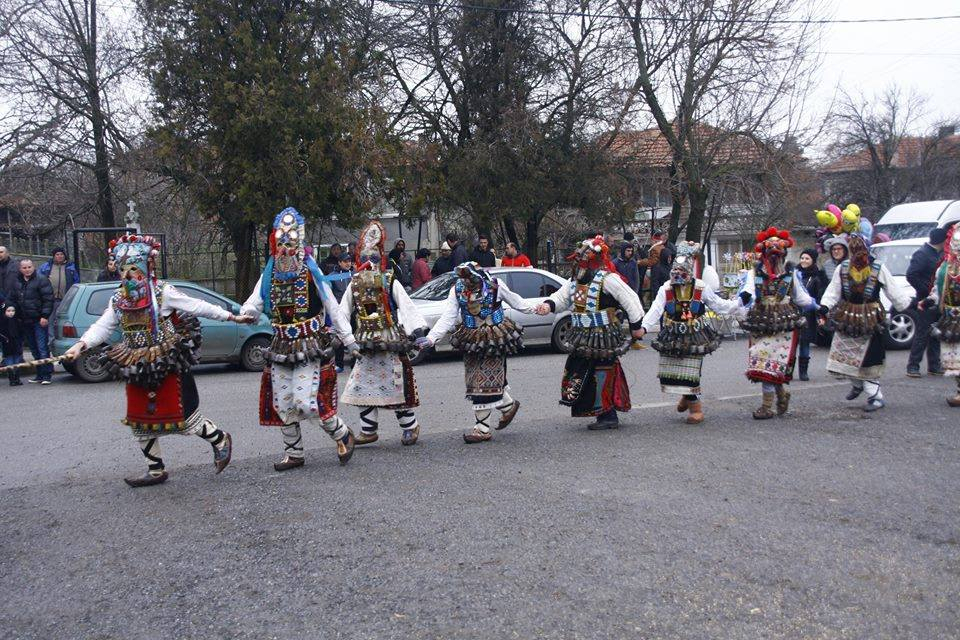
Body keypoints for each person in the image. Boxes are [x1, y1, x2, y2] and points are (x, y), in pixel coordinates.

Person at [63, 235, 250, 487]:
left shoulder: (162, 292)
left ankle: (220, 440)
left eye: (134, 269)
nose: (129, 275)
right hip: (136, 362)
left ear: (146, 268)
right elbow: (103, 327)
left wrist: (231, 316)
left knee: (182, 417)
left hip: (166, 361)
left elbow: (196, 305)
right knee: (140, 419)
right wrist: (80, 345)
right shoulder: (118, 300)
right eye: (123, 269)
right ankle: (155, 470)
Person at [240, 208, 361, 470]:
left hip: (309, 343)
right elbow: (255, 300)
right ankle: (294, 452)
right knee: (283, 401)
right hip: (281, 343)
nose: (285, 247)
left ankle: (342, 433)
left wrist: (349, 340)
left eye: (290, 241)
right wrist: (245, 313)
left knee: (304, 402)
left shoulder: (310, 269)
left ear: (299, 242)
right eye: (281, 241)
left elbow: (330, 303)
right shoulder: (270, 272)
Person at [415, 262, 533, 443]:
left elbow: (517, 302)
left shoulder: (495, 285)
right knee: (475, 379)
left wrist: (540, 308)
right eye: (463, 278)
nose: (467, 281)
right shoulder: (457, 290)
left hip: (494, 339)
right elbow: (448, 316)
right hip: (471, 340)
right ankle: (508, 406)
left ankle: (482, 429)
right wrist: (431, 339)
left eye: (470, 277)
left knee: (484, 382)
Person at [535, 236, 645, 430]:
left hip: (603, 334)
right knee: (579, 369)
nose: (578, 260)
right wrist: (548, 305)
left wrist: (636, 326)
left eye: (582, 256)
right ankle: (597, 410)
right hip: (582, 335)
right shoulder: (575, 281)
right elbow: (561, 298)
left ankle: (607, 414)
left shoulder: (608, 279)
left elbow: (630, 299)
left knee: (603, 371)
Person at [340, 221, 429, 447]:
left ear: (381, 258)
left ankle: (410, 426)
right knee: (360, 385)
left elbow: (406, 306)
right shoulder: (355, 284)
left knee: (395, 385)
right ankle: (369, 430)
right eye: (365, 257)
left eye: (374, 257)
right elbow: (342, 312)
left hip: (390, 340)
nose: (369, 263)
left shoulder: (389, 281)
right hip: (366, 342)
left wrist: (417, 332)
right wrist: (344, 337)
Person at [639, 242, 745, 424]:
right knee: (670, 371)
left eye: (683, 272)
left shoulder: (701, 287)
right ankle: (686, 397)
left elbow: (718, 305)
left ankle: (696, 408)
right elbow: (656, 309)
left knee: (690, 372)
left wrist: (739, 304)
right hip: (672, 334)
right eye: (676, 272)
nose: (678, 276)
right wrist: (644, 327)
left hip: (695, 334)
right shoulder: (666, 288)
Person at [819, 233, 913, 412]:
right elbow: (834, 290)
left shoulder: (878, 268)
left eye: (860, 249)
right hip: (847, 316)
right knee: (843, 354)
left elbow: (893, 291)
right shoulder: (843, 268)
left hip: (870, 319)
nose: (857, 253)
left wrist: (908, 305)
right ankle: (857, 384)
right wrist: (824, 306)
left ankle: (875, 396)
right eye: (854, 249)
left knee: (870, 358)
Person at [741, 227, 817, 419]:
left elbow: (802, 299)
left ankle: (767, 406)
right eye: (770, 255)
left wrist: (818, 307)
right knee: (763, 361)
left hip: (783, 323)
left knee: (771, 363)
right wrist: (739, 303)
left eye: (778, 255)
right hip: (761, 321)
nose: (774, 259)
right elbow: (747, 293)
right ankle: (781, 394)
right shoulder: (754, 275)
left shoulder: (791, 276)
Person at [905, 227, 946, 377]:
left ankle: (934, 365)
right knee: (922, 334)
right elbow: (911, 275)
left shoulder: (939, 254)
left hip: (937, 300)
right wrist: (925, 292)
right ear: (941, 240)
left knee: (935, 333)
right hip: (924, 300)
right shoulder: (922, 254)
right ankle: (913, 366)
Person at [928, 225, 960, 406]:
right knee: (955, 358)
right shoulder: (945, 268)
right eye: (955, 243)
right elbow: (937, 290)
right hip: (951, 317)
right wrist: (930, 300)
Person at [15, 259, 54, 384]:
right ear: (20, 269)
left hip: (39, 319)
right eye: (24, 267)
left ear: (33, 267)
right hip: (25, 320)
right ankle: (39, 374)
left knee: (42, 347)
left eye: (29, 267)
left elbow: (48, 299)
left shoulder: (41, 279)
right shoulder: (17, 281)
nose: (27, 270)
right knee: (33, 348)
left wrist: (45, 316)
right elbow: (13, 298)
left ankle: (47, 374)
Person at [796, 248, 827, 381]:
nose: (803, 261)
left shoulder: (818, 277)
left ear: (813, 260)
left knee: (804, 343)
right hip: (793, 313)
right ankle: (788, 370)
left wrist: (821, 314)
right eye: (802, 258)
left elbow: (820, 297)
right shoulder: (794, 274)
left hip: (808, 314)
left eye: (807, 258)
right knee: (791, 343)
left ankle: (803, 371)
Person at [39, 247, 80, 339]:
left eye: (61, 254)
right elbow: (39, 280)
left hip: (66, 299)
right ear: (53, 256)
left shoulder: (71, 267)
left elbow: (77, 281)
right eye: (57, 254)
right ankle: (51, 340)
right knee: (50, 321)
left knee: (64, 321)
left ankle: (63, 339)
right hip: (50, 300)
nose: (60, 256)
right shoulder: (46, 267)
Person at [330, 253, 354, 372]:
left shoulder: (354, 274)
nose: (348, 263)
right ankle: (339, 364)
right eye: (345, 261)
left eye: (349, 261)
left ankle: (355, 364)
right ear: (339, 262)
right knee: (339, 337)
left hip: (354, 310)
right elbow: (327, 294)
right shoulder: (332, 276)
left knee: (354, 336)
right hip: (339, 311)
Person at [0, 290, 22, 386]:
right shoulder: (2, 321)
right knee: (9, 360)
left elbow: (21, 332)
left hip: (16, 343)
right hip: (7, 343)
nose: (11, 313)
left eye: (13, 311)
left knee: (17, 360)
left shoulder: (17, 321)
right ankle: (11, 378)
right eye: (8, 311)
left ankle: (17, 377)